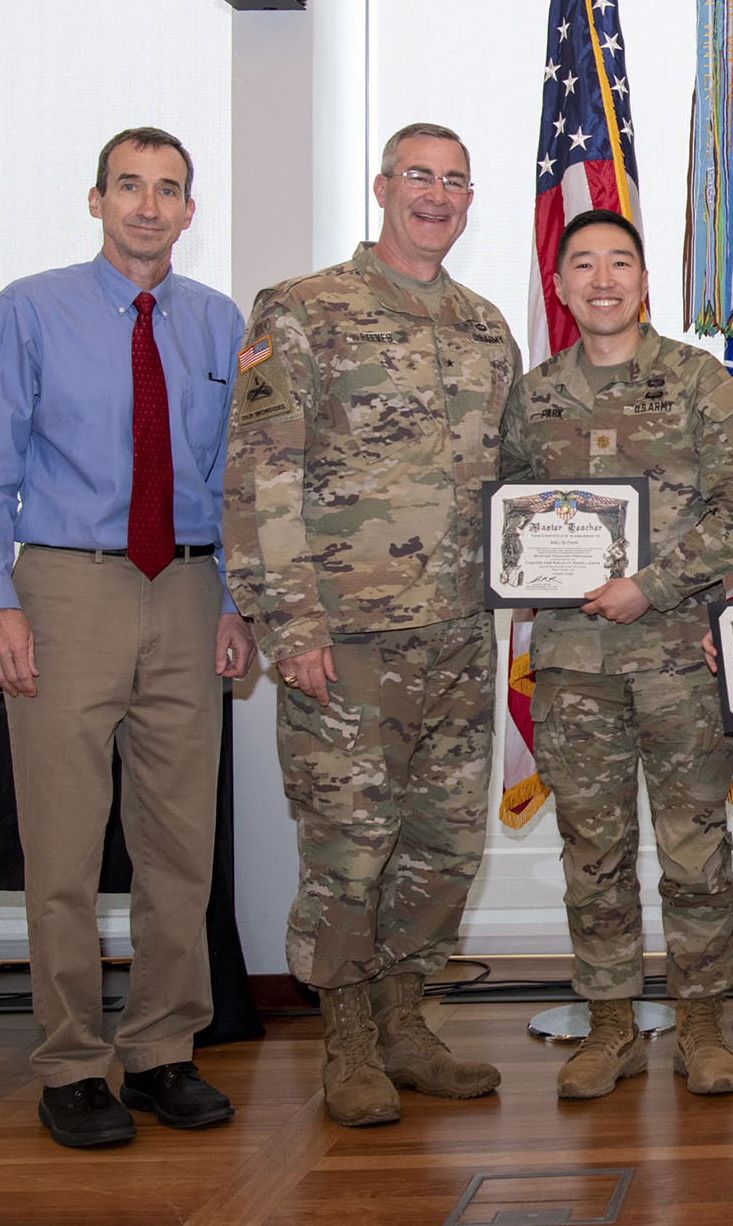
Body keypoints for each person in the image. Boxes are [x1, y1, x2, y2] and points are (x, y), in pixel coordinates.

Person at [0, 127, 253, 1149]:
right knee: (66, 845)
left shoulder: (219, 325)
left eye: (168, 189)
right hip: (63, 588)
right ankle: (73, 1061)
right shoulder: (27, 310)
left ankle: (165, 1050)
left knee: (179, 846)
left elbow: (233, 480)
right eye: (130, 185)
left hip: (186, 585)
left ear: (187, 211)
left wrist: (234, 601)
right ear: (96, 200)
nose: (147, 205)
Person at [222, 122, 519, 1127]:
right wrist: (288, 621)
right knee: (350, 845)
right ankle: (344, 1038)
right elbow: (261, 469)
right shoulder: (302, 310)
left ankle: (406, 1018)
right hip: (344, 637)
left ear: (469, 200)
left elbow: (513, 488)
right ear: (384, 185)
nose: (436, 195)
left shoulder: (487, 328)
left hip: (460, 635)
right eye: (419, 177)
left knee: (443, 844)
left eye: (455, 182)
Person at [497, 208, 733, 1100]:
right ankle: (611, 1023)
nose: (602, 279)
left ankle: (700, 1023)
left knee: (694, 848)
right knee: (595, 851)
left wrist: (652, 583)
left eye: (620, 263)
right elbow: (507, 516)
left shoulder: (701, 384)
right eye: (583, 265)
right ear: (562, 284)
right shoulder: (531, 397)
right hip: (572, 662)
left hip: (680, 656)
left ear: (645, 282)